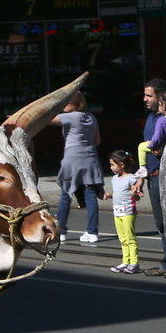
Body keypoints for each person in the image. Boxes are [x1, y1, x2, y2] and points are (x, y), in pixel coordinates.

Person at [50, 90, 104, 243]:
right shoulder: (91, 117)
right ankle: (92, 232)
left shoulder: (69, 117)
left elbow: (46, 120)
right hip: (91, 158)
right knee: (90, 195)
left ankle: (61, 231)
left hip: (72, 158)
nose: (64, 106)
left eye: (66, 103)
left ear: (74, 104)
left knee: (66, 195)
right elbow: (97, 140)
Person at [136, 78, 166, 277]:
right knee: (160, 223)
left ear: (160, 97)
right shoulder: (151, 118)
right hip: (151, 177)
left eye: (149, 95)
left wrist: (163, 151)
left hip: (164, 176)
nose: (145, 99)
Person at [104, 149, 141, 273]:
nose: (111, 167)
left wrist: (135, 193)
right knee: (122, 239)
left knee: (130, 238)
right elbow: (118, 194)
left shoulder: (131, 178)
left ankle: (134, 263)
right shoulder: (114, 179)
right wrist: (110, 195)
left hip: (128, 211)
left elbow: (137, 196)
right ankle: (125, 262)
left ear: (121, 165)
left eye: (112, 165)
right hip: (117, 212)